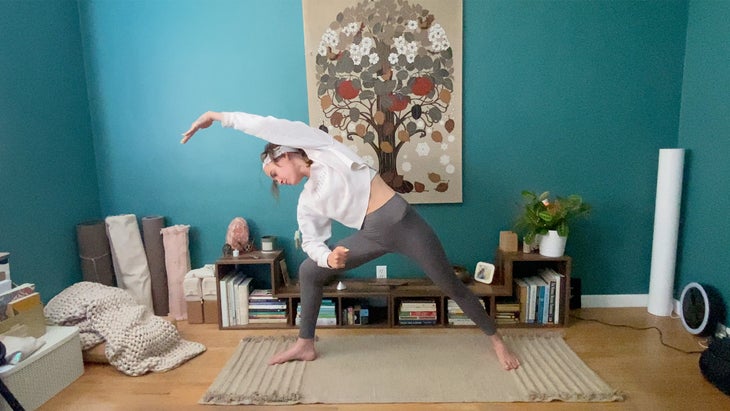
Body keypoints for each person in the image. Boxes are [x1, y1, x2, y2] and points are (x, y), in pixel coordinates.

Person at [181, 111, 521, 371]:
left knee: (450, 284)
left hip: (403, 221)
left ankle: (497, 340)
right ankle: (305, 344)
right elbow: (313, 240)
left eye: (274, 173)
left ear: (284, 155)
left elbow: (267, 125)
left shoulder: (323, 148)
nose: (279, 180)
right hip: (371, 233)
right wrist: (329, 260)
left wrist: (219, 117)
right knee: (310, 270)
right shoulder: (308, 199)